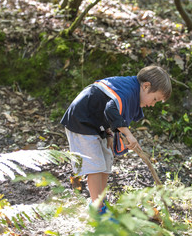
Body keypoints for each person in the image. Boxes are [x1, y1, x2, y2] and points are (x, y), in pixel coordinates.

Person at [60, 65, 172, 212]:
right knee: (95, 166)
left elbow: (112, 111)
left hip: (97, 125)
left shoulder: (132, 91)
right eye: (155, 99)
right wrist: (128, 134)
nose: (152, 104)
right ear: (146, 86)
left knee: (106, 161)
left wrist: (111, 133)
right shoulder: (127, 91)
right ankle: (97, 209)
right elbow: (110, 109)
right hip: (81, 121)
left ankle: (102, 201)